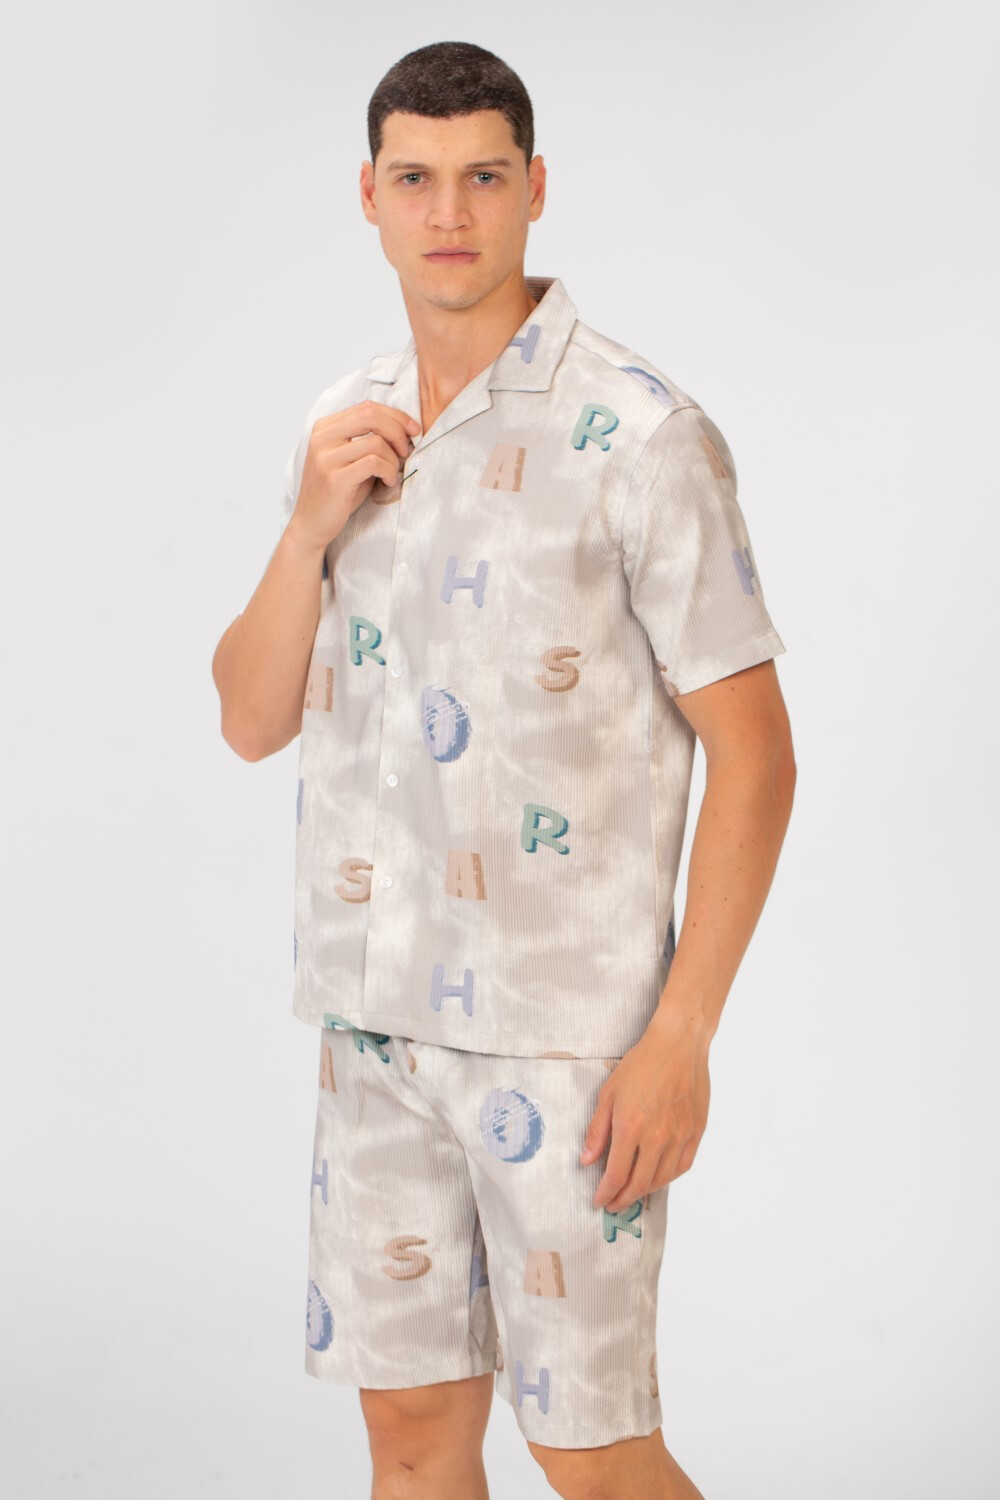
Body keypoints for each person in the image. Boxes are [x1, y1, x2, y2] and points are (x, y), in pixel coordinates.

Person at [212, 39, 796, 1500]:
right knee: (411, 1444)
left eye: (482, 177)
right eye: (415, 179)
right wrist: (304, 529)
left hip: (568, 1047)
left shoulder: (644, 436)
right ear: (369, 196)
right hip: (372, 1031)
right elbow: (248, 718)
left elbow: (758, 754)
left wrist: (681, 1037)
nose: (449, 212)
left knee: (589, 1454)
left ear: (537, 188)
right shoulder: (346, 429)